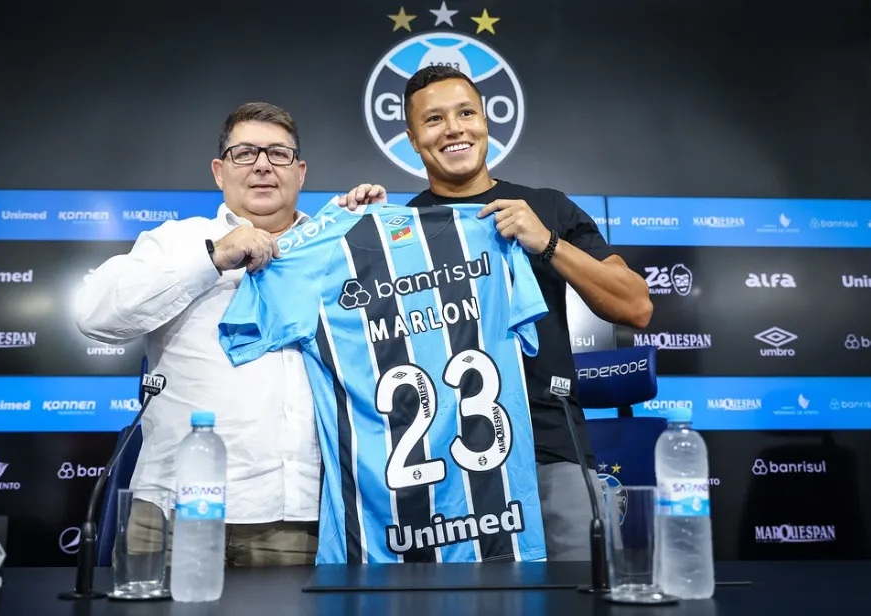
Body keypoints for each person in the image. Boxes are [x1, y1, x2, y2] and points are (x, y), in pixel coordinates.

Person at [339, 65, 653, 561]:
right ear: (413, 140)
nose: (455, 129)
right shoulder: (395, 230)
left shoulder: (546, 208)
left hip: (551, 453)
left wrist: (547, 244)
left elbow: (635, 306)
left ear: (486, 120)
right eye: (435, 120)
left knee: (576, 599)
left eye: (466, 113)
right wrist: (352, 230)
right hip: (446, 469)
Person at [75, 101, 385, 567]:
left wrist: (374, 238)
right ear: (220, 172)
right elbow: (95, 314)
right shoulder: (176, 242)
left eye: (278, 154)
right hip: (174, 512)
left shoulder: (342, 249)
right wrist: (212, 258)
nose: (262, 164)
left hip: (298, 517)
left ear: (300, 172)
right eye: (245, 154)